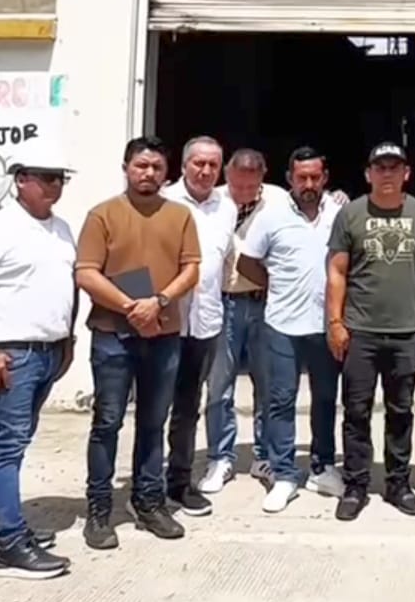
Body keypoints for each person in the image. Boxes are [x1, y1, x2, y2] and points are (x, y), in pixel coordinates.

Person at [76, 136, 201, 549]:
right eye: (141, 166)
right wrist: (133, 306)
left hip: (164, 335)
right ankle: (98, 509)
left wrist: (160, 302)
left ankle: (149, 501)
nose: (148, 173)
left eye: (156, 167)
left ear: (167, 173)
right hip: (114, 336)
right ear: (126, 167)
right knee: (107, 422)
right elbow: (87, 273)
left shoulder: (180, 215)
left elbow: (191, 269)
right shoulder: (102, 215)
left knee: (153, 422)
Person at [326, 143, 415, 521]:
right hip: (360, 332)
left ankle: (398, 483)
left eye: (394, 167)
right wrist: (335, 323)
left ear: (406, 173)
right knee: (356, 411)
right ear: (368, 173)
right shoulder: (351, 213)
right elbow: (337, 271)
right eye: (380, 167)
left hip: (406, 332)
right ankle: (356, 485)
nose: (387, 173)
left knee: (401, 410)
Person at [0, 148, 77, 580]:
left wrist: (67, 340)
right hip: (9, 355)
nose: (54, 185)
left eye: (60, 178)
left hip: (48, 352)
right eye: (45, 177)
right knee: (6, 446)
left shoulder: (61, 229)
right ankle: (7, 546)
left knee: (16, 443)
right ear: (20, 179)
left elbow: (65, 288)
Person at [238, 147, 345, 513]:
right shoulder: (272, 215)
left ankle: (323, 467)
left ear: (325, 178)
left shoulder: (340, 213)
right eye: (302, 177)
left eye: (315, 177)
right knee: (280, 401)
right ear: (290, 179)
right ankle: (284, 474)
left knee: (326, 400)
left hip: (327, 325)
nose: (309, 184)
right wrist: (272, 285)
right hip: (281, 324)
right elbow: (247, 261)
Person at [201, 148, 288, 494]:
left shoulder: (279, 201)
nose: (243, 195)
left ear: (263, 177)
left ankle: (264, 454)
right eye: (237, 187)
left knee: (268, 384)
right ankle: (220, 456)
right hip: (223, 301)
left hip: (264, 302)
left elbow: (317, 210)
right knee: (219, 385)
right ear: (227, 175)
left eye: (251, 188)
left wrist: (336, 198)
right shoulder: (212, 199)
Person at [162, 136, 236, 517]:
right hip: (163, 323)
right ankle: (147, 484)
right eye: (198, 163)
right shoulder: (163, 200)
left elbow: (224, 264)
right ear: (184, 165)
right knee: (154, 407)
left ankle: (179, 481)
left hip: (205, 321)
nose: (205, 171)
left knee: (188, 407)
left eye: (213, 165)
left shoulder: (227, 207)